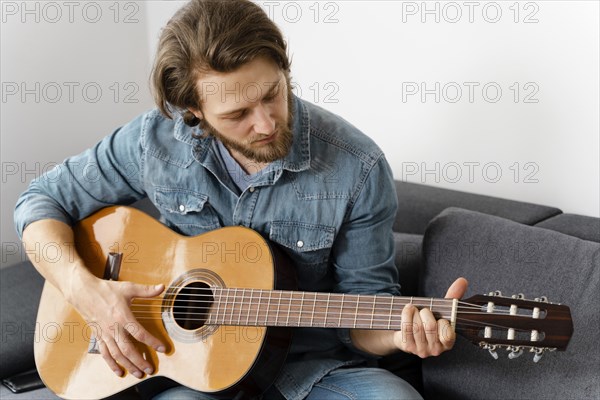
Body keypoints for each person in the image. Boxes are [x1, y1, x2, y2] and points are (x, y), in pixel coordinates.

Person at [14, 0, 467, 399]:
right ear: (193, 113)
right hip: (191, 372)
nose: (267, 123)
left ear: (284, 70)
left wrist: (402, 334)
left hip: (313, 370)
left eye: (273, 94)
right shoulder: (153, 142)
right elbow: (39, 203)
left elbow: (365, 314)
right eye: (237, 115)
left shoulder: (357, 167)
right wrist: (85, 290)